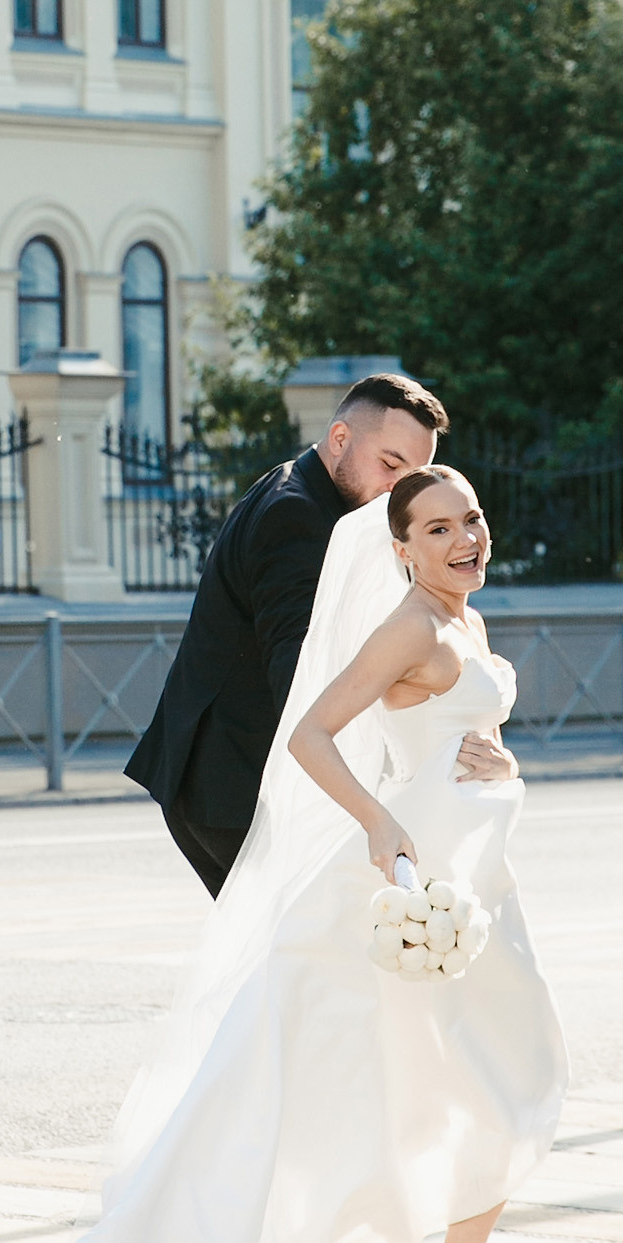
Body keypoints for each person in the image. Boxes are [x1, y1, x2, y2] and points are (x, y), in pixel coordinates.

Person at [0, 463, 568, 1243]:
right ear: (402, 547)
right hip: (403, 891)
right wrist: (378, 825)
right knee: (299, 1094)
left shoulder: (466, 619)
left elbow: (460, 733)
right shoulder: (411, 626)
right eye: (442, 528)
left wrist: (501, 761)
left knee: (513, 1078)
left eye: (474, 519)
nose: (468, 538)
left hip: (473, 885)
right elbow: (315, 736)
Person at [125, 372, 450, 899]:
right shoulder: (297, 516)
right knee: (290, 959)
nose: (399, 491)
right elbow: (300, 671)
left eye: (413, 476)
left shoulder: (308, 493)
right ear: (341, 438)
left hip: (222, 777)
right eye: (390, 466)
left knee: (281, 964)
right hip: (234, 788)